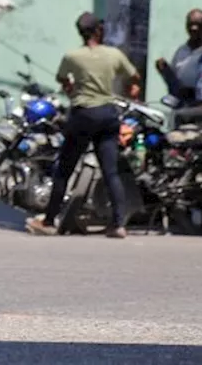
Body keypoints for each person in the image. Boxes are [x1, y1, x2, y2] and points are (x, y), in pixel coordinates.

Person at [27, 13, 140, 239]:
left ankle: (49, 221)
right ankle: (118, 225)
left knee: (63, 171)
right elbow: (134, 77)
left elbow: (62, 79)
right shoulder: (114, 54)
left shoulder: (72, 56)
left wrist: (71, 88)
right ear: (98, 30)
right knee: (110, 172)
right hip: (108, 114)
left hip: (82, 115)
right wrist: (132, 91)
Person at [155, 9, 202, 105]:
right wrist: (165, 70)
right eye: (190, 24)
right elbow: (175, 82)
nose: (194, 28)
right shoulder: (181, 51)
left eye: (198, 24)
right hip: (182, 103)